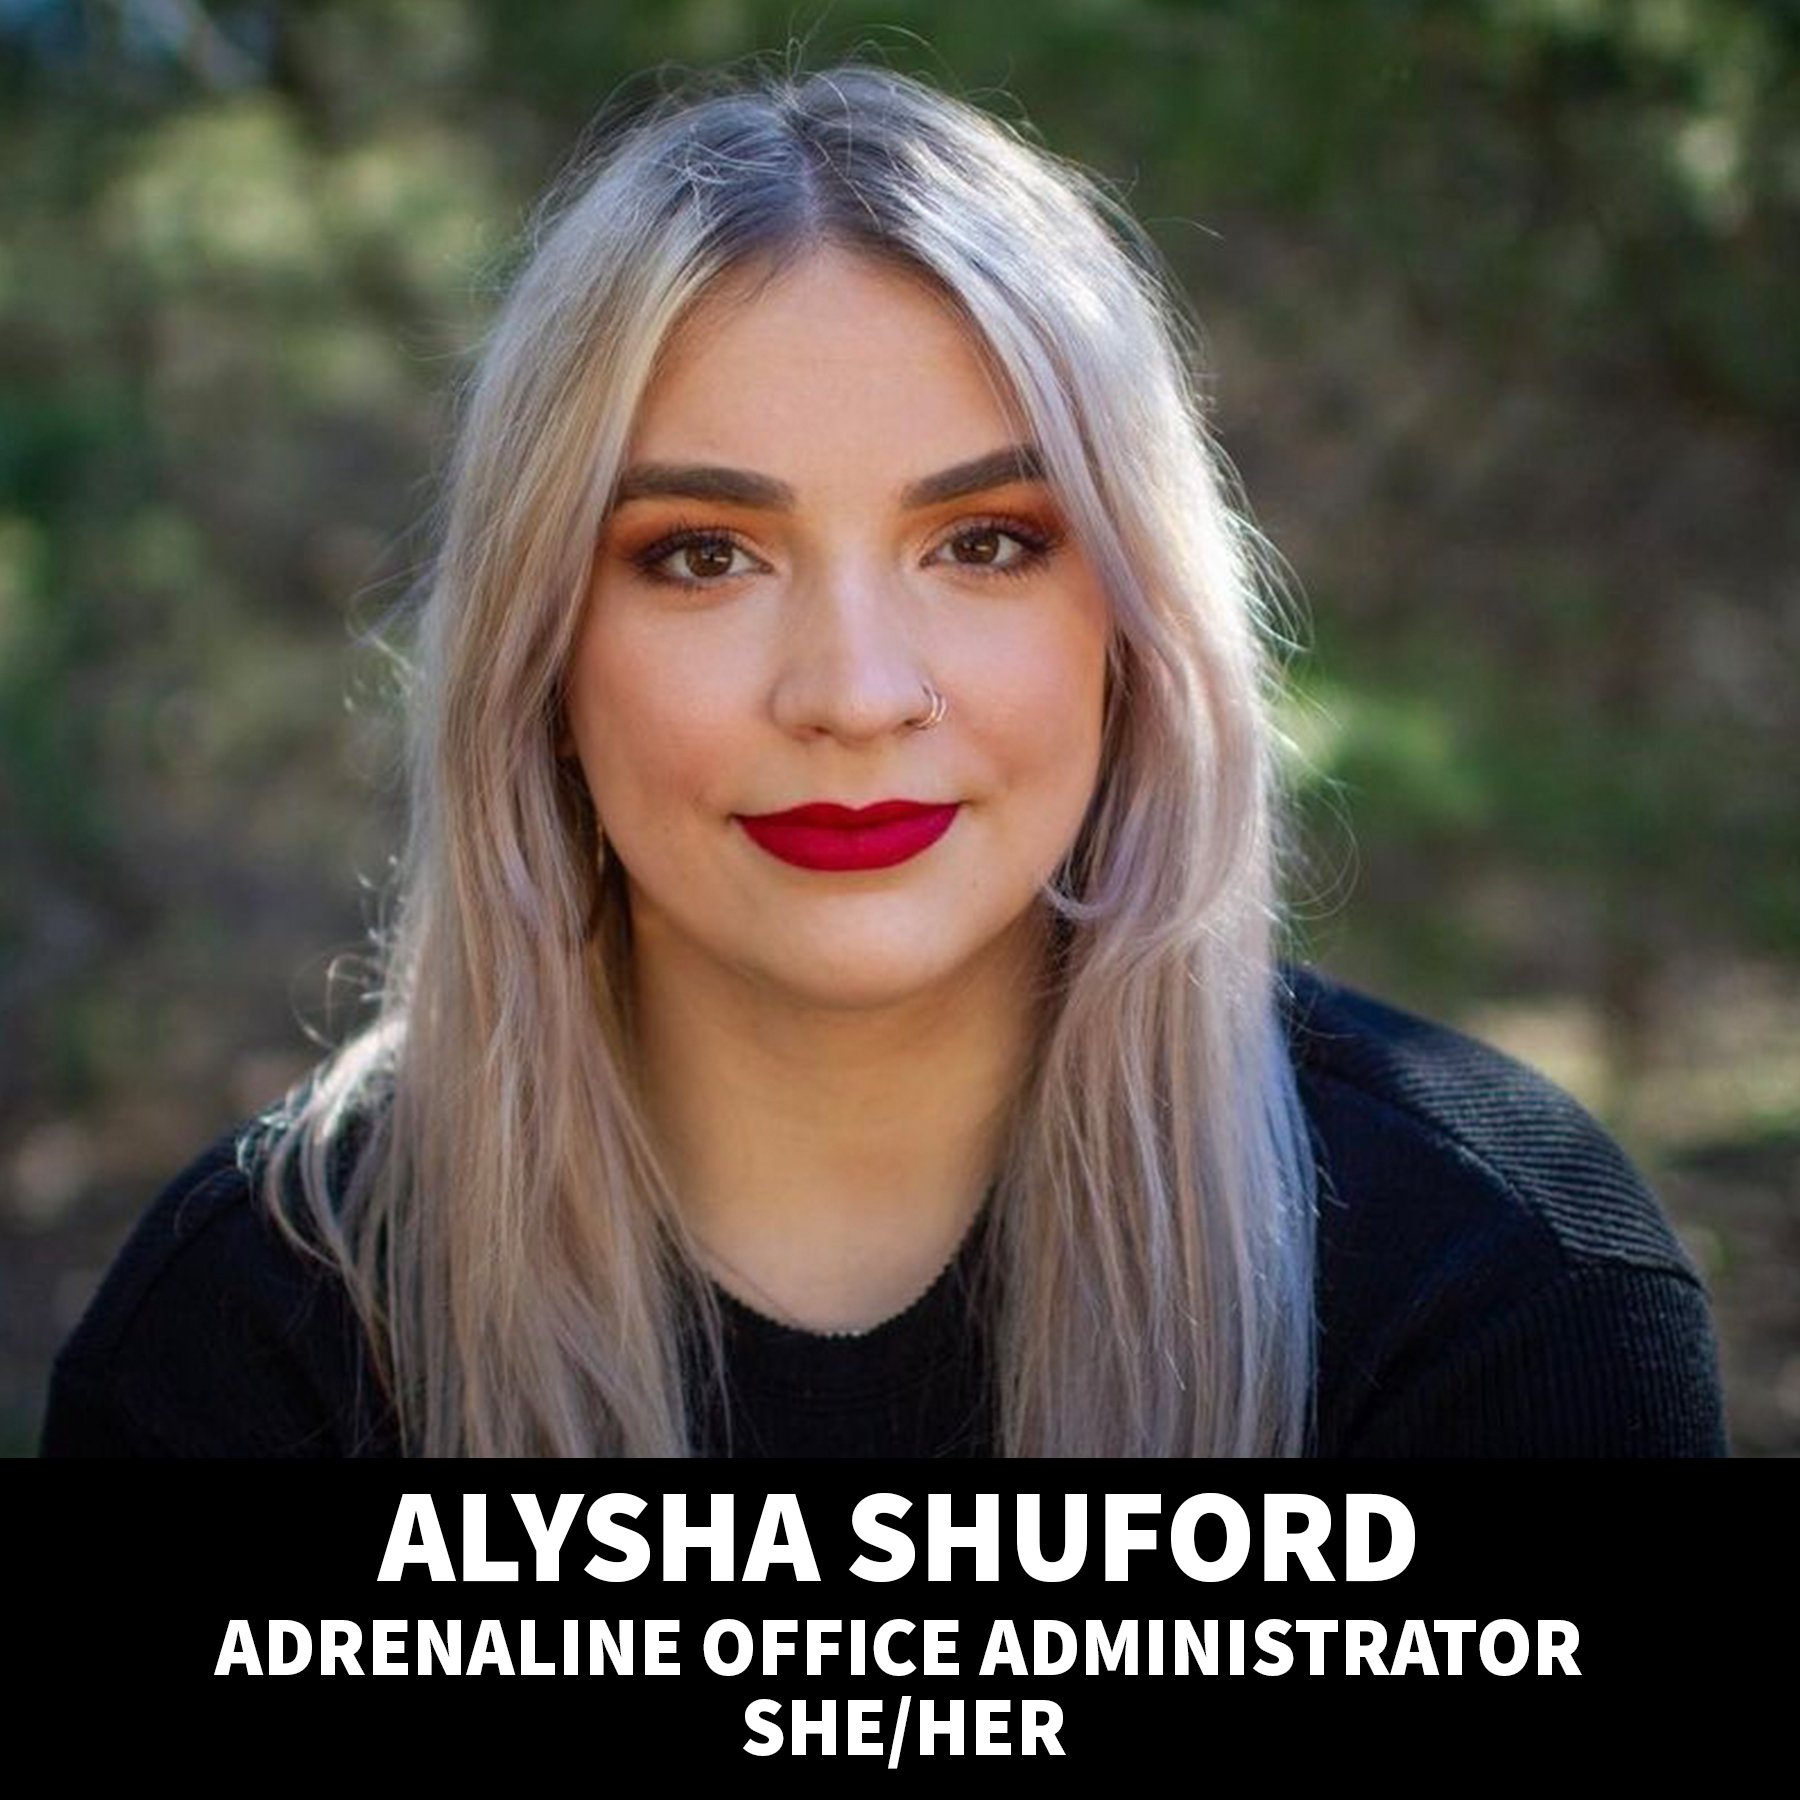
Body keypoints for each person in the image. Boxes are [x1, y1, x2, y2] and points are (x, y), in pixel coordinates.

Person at [42, 62, 1725, 1458]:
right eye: (703, 554)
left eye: (985, 542)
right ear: (540, 655)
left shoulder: (1502, 1281)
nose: (853, 695)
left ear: (1135, 625)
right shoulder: (247, 1333)